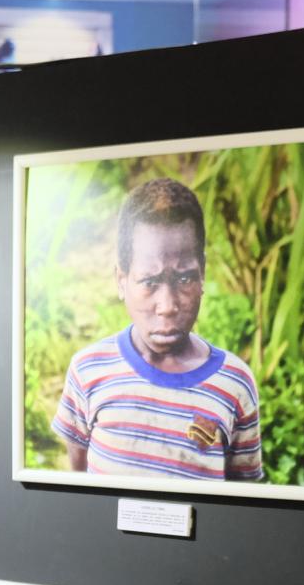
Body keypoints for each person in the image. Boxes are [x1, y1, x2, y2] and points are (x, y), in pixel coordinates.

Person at [55, 177, 263, 481]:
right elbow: (77, 477)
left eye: (184, 279)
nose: (167, 306)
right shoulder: (88, 370)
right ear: (121, 279)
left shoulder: (234, 384)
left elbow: (243, 496)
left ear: (203, 273)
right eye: (149, 282)